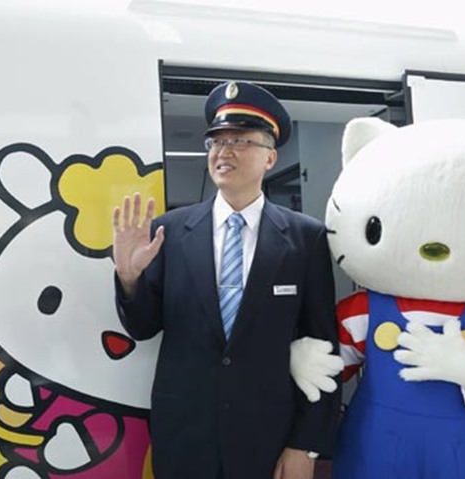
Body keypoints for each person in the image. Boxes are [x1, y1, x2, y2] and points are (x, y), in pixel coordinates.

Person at [112, 80, 340, 479]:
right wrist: (129, 277)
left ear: (270, 157)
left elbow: (321, 345)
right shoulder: (170, 231)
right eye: (216, 142)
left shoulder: (305, 238)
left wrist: (305, 444)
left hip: (266, 436)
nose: (223, 151)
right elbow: (143, 327)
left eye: (240, 140)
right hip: (185, 434)